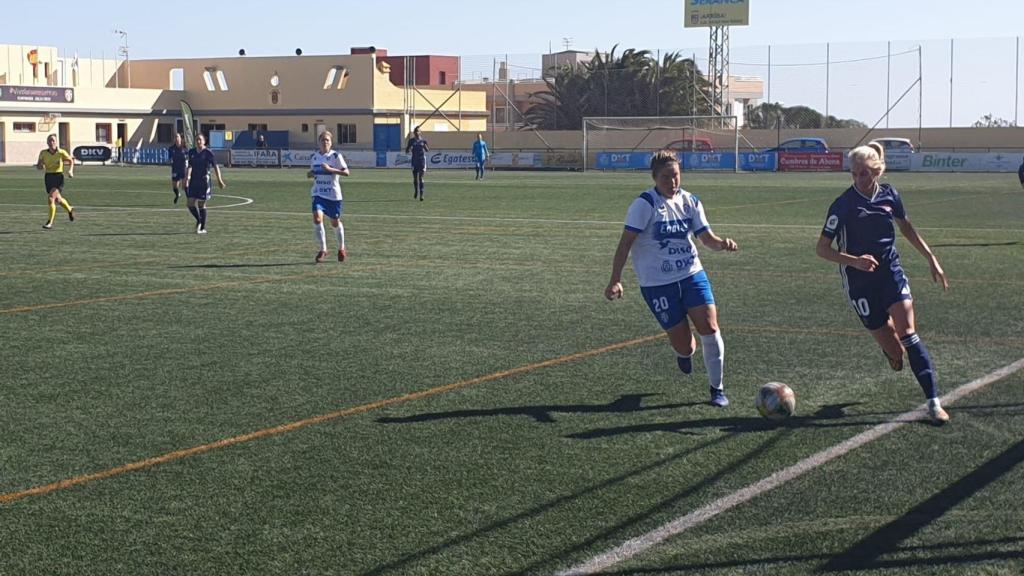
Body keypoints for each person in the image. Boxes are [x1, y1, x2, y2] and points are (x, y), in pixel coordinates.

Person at [815, 142, 950, 424]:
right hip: (859, 282)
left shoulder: (890, 195)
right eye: (854, 174)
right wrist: (854, 261)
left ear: (876, 171)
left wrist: (931, 257)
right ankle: (891, 353)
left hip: (890, 272)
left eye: (864, 173)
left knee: (909, 333)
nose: (858, 179)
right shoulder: (843, 205)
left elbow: (907, 227)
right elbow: (822, 249)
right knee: (896, 350)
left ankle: (934, 403)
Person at [604, 150, 739, 407]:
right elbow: (625, 245)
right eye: (666, 177)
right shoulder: (644, 205)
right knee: (686, 346)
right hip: (657, 284)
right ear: (655, 178)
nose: (672, 182)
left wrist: (722, 244)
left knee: (710, 328)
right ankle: (683, 353)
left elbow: (706, 238)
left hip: (691, 274)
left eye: (675, 176)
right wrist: (615, 279)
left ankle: (717, 389)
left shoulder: (691, 202)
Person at [307, 130, 351, 263]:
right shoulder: (314, 157)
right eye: (323, 140)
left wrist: (330, 170)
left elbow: (347, 172)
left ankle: (341, 248)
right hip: (318, 193)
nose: (325, 142)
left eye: (327, 140)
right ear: (319, 142)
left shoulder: (336, 156)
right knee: (317, 218)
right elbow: (313, 174)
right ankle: (323, 249)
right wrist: (310, 174)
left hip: (333, 195)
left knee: (335, 222)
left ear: (331, 143)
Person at [185, 133, 226, 234]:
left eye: (200, 139)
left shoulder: (208, 153)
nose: (198, 141)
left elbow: (216, 167)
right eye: (197, 140)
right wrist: (187, 177)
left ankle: (202, 228)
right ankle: (199, 220)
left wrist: (219, 180)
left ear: (204, 141)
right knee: (189, 203)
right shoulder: (191, 152)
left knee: (201, 204)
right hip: (194, 181)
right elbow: (190, 165)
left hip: (204, 182)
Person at [36, 133, 76, 230]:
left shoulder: (61, 152)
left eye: (53, 140)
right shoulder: (43, 153)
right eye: (50, 140)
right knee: (58, 200)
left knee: (51, 199)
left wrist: (70, 170)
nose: (51, 142)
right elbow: (39, 165)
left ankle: (50, 222)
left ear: (56, 142)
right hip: (48, 177)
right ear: (47, 142)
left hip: (58, 177)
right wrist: (40, 166)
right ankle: (70, 209)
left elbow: (71, 160)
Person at [405, 126, 429, 201]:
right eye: (415, 131)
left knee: (421, 178)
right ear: (414, 133)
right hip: (414, 161)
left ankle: (421, 194)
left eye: (418, 131)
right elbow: (407, 150)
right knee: (415, 178)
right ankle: (416, 191)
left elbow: (427, 150)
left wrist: (425, 147)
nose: (416, 133)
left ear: (420, 132)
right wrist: (409, 149)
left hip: (421, 161)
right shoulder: (411, 141)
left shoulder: (423, 141)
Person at [167, 133, 188, 204]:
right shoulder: (171, 148)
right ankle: (177, 195)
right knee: (174, 186)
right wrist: (170, 160)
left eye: (177, 137)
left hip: (183, 169)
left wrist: (187, 160)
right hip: (175, 169)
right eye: (175, 137)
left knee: (185, 185)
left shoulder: (185, 148)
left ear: (180, 138)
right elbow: (169, 158)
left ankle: (189, 199)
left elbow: (188, 156)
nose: (176, 138)